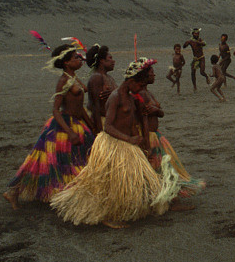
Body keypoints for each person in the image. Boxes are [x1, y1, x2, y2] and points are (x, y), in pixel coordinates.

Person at [50, 58, 178, 227]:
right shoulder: (116, 97)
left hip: (127, 144)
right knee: (109, 183)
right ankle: (108, 216)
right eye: (139, 85)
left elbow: (133, 122)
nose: (140, 89)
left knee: (133, 180)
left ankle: (124, 210)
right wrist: (129, 139)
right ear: (131, 82)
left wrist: (141, 143)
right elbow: (108, 127)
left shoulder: (132, 97)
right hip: (112, 144)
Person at [4, 44, 95, 209]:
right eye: (76, 57)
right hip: (64, 127)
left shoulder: (73, 78)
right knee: (48, 163)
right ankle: (14, 191)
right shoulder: (63, 81)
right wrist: (69, 132)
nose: (80, 59)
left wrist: (93, 127)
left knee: (67, 162)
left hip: (77, 124)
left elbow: (80, 107)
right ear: (66, 63)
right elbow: (55, 110)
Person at [140, 62, 204, 204]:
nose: (154, 75)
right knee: (162, 169)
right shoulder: (142, 94)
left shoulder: (147, 92)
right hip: (149, 136)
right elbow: (144, 117)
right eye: (151, 72)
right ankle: (170, 201)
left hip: (156, 135)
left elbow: (160, 113)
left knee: (164, 169)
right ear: (144, 75)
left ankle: (167, 199)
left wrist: (156, 111)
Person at [85, 43, 117, 133]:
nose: (113, 61)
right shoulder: (97, 77)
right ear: (102, 61)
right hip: (102, 123)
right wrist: (99, 131)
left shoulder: (109, 77)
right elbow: (95, 106)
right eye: (110, 58)